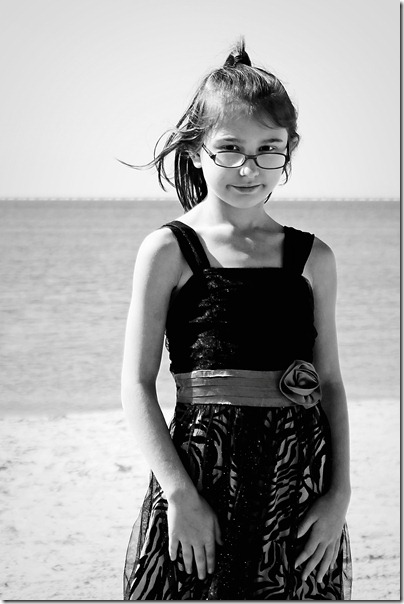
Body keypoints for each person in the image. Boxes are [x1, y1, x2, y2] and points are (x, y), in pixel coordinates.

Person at [121, 39, 352, 600]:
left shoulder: (314, 259)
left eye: (269, 149)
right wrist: (179, 494)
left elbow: (331, 384)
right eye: (229, 148)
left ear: (290, 149)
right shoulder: (169, 250)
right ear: (197, 148)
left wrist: (338, 496)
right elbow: (135, 383)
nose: (249, 168)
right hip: (200, 476)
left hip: (298, 480)